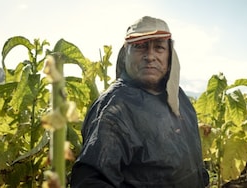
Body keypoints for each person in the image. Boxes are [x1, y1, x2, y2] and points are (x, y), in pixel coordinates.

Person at [71, 16, 209, 188]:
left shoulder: (179, 98)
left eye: (158, 47)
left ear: (170, 55)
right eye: (139, 46)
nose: (150, 56)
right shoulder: (114, 108)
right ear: (125, 55)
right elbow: (90, 182)